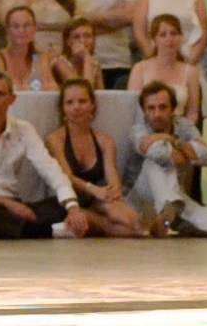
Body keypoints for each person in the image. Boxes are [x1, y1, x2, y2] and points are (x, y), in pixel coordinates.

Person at [0, 72, 89, 240]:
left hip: (12, 205)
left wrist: (72, 207)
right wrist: (6, 203)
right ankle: (47, 231)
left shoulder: (24, 129)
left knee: (80, 197)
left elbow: (50, 169)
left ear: (12, 99)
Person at [127, 81, 207, 237]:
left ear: (173, 110)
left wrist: (173, 141)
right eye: (151, 108)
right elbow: (156, 152)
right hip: (141, 201)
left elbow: (206, 154)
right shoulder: (137, 130)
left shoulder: (184, 125)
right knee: (156, 162)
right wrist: (180, 148)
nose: (156, 114)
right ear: (144, 111)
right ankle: (170, 207)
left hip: (175, 194)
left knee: (188, 206)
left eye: (163, 107)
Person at [45, 79, 145, 237]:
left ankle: (145, 229)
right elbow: (66, 176)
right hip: (71, 203)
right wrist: (94, 190)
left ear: (92, 105)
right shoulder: (55, 139)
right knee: (123, 228)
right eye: (70, 103)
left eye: (82, 101)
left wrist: (113, 191)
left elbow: (111, 173)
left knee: (120, 214)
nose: (76, 107)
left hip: (98, 200)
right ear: (62, 109)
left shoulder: (104, 140)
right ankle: (147, 231)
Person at [127, 14, 202, 124]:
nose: (169, 39)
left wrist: (183, 133)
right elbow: (133, 109)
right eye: (163, 35)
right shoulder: (140, 69)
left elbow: (192, 112)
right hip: (146, 128)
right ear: (154, 40)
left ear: (181, 37)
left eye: (174, 33)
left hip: (180, 130)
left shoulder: (191, 72)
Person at [0, 6, 56, 92]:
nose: (21, 30)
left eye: (27, 25)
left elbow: (52, 88)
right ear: (7, 30)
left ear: (35, 28)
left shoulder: (41, 56)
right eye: (15, 26)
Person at [51, 17, 104, 90]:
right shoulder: (60, 63)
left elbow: (102, 96)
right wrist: (86, 58)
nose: (82, 41)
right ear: (68, 42)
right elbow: (82, 91)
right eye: (76, 37)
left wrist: (87, 60)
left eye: (87, 36)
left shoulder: (95, 65)